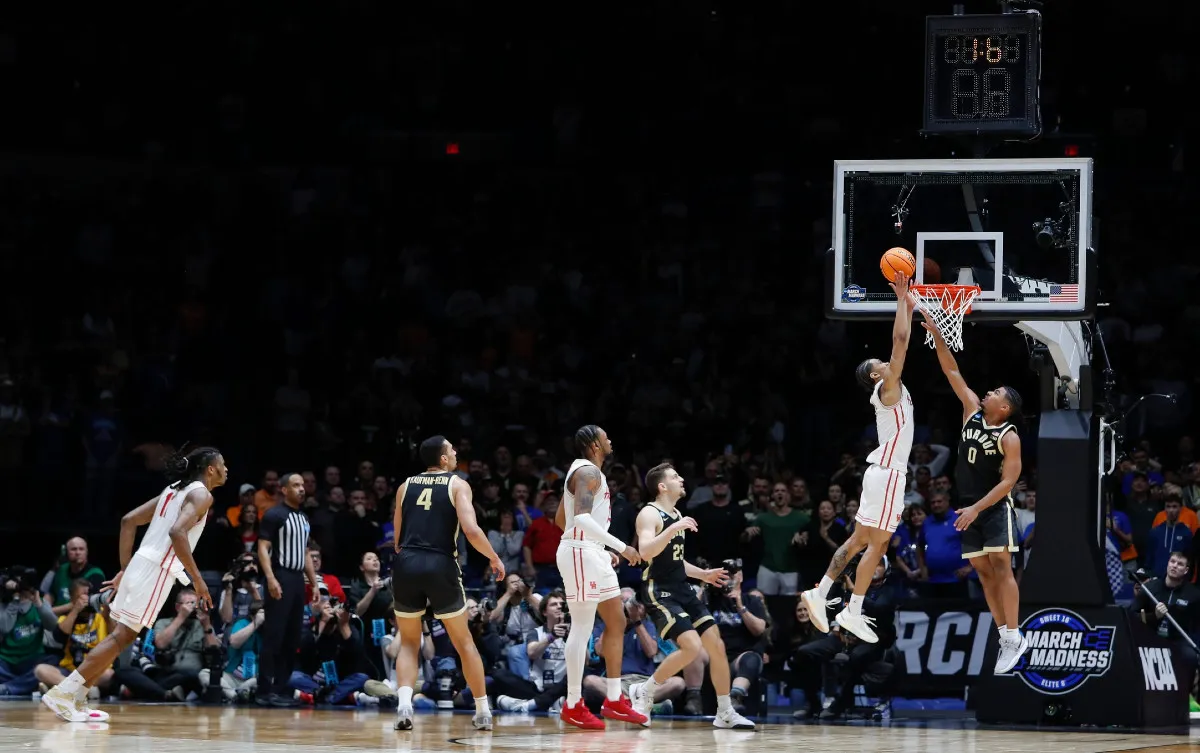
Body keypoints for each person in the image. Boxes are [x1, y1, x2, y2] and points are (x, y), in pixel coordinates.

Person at [41, 446, 228, 723]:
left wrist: (126, 569)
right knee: (121, 637)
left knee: (121, 638)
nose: (227, 469)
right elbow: (177, 532)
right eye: (223, 464)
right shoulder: (202, 494)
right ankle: (63, 692)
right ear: (210, 469)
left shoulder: (173, 489)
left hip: (141, 564)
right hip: (157, 571)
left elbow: (128, 521)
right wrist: (198, 580)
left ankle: (76, 696)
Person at [800, 271, 916, 643]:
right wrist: (903, 300)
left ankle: (835, 602)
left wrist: (908, 307)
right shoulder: (888, 387)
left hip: (885, 474)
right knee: (867, 543)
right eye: (875, 364)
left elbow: (899, 344)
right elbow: (900, 341)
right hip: (887, 474)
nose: (881, 361)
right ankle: (839, 602)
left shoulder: (889, 386)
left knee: (867, 543)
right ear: (874, 377)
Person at [922, 307, 1027, 674]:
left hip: (993, 507)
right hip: (968, 506)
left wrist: (976, 510)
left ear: (1006, 407)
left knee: (1001, 566)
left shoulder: (1009, 436)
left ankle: (1014, 633)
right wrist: (937, 332)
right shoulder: (971, 410)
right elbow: (952, 370)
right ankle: (1003, 635)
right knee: (982, 573)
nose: (987, 391)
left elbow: (1008, 483)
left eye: (996, 391)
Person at [628, 463, 756, 730]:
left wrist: (703, 574)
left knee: (716, 646)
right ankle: (645, 692)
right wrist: (674, 529)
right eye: (675, 477)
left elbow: (675, 560)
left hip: (681, 588)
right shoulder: (649, 513)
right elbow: (647, 551)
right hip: (658, 590)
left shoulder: (676, 513)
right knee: (692, 647)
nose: (682, 479)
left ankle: (724, 712)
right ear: (662, 486)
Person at [391, 435, 505, 732]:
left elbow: (397, 540)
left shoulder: (405, 486)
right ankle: (482, 711)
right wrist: (493, 557)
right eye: (452, 449)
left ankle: (404, 705)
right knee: (464, 641)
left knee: (409, 641)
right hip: (440, 562)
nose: (455, 452)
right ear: (443, 458)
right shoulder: (457, 484)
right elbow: (470, 529)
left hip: (407, 563)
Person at [553, 424, 647, 729]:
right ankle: (573, 703)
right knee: (582, 627)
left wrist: (596, 546)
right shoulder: (587, 472)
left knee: (618, 621)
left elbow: (560, 518)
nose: (610, 440)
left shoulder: (588, 473)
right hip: (581, 553)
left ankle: (615, 699)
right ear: (595, 444)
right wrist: (620, 546)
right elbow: (577, 519)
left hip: (590, 551)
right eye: (605, 436)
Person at [256, 473, 321, 707]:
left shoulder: (303, 518)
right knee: (274, 635)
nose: (302, 489)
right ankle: (263, 691)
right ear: (284, 490)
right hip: (280, 575)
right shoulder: (274, 514)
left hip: (296, 580)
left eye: (303, 485)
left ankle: (280, 689)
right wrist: (271, 578)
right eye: (296, 485)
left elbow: (304, 553)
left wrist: (313, 583)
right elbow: (262, 547)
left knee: (293, 637)